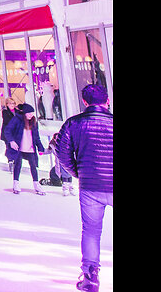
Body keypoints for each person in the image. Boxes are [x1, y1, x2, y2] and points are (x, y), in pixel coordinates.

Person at [51, 84, 112, 292]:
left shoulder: (73, 124)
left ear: (84, 102)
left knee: (92, 232)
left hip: (91, 187)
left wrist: (78, 172)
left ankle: (90, 277)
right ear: (108, 101)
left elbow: (62, 152)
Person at [4, 103, 46, 195]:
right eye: (29, 113)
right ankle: (16, 183)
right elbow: (7, 130)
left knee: (33, 166)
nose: (31, 115)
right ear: (25, 113)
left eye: (32, 113)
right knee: (18, 165)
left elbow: (36, 136)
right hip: (19, 147)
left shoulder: (33, 122)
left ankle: (36, 184)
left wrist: (40, 147)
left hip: (30, 148)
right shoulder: (17, 120)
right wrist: (11, 141)